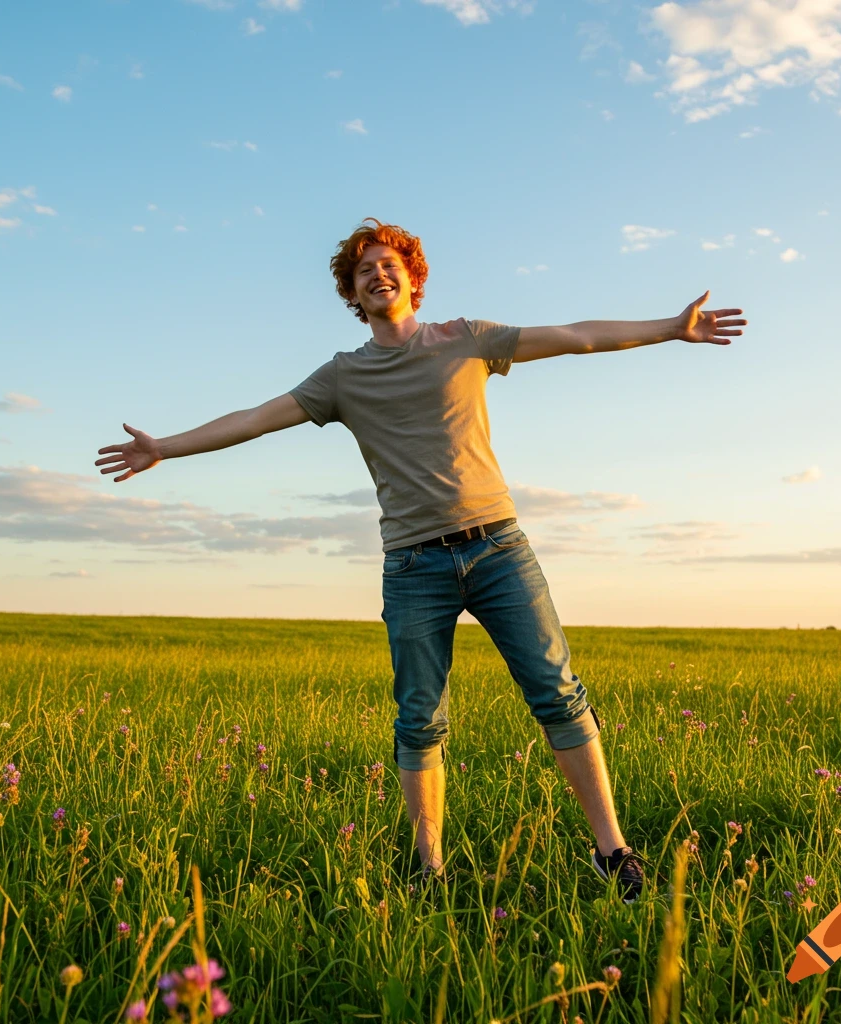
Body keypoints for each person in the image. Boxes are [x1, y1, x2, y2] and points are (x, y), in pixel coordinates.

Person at [95, 218, 746, 903]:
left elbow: (575, 337)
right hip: (413, 568)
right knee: (419, 718)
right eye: (363, 270)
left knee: (557, 694)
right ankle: (430, 870)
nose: (378, 274)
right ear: (351, 292)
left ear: (413, 278)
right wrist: (166, 445)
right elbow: (255, 418)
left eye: (389, 264)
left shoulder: (467, 339)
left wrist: (670, 328)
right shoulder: (342, 378)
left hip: (498, 548)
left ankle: (612, 853)